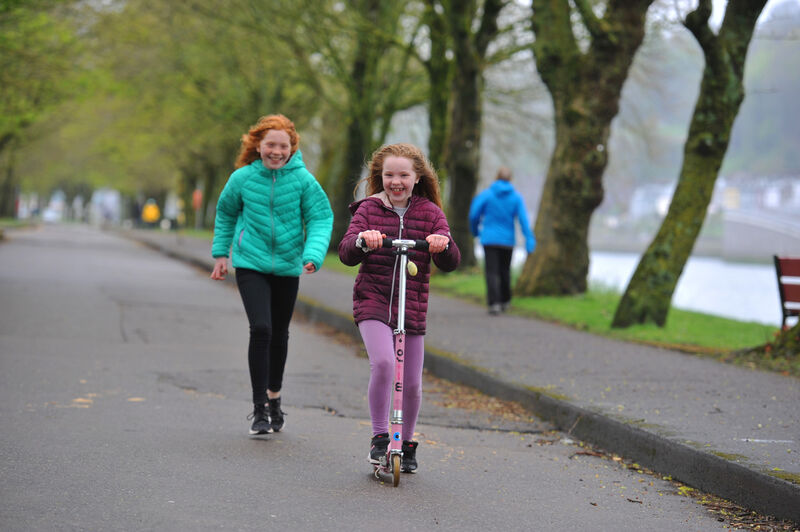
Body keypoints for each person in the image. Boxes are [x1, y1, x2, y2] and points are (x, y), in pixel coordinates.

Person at [338, 143, 461, 473]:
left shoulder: (430, 213)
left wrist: (442, 244)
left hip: (412, 307)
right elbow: (346, 251)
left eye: (403, 175)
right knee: (383, 363)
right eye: (389, 175)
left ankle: (405, 444)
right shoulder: (368, 209)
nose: (396, 182)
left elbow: (452, 260)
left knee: (412, 383)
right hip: (373, 301)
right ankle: (381, 438)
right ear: (380, 176)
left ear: (417, 177)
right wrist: (364, 240)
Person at [210, 114, 333, 435]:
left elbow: (321, 218)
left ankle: (274, 397)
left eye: (283, 146)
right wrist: (221, 254)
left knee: (280, 333)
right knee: (261, 328)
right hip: (251, 262)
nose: (276, 152)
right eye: (270, 145)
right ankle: (259, 409)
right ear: (257, 146)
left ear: (292, 148)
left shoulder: (304, 180)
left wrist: (313, 254)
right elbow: (225, 213)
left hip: (289, 265)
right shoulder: (242, 178)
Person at [468, 166, 536, 315]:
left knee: (492, 272)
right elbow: (524, 220)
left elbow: (474, 214)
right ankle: (505, 301)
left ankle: (494, 304)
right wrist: (529, 240)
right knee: (505, 271)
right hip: (507, 240)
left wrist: (475, 230)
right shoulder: (516, 198)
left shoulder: (487, 195)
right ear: (510, 179)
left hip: (489, 239)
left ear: (496, 177)